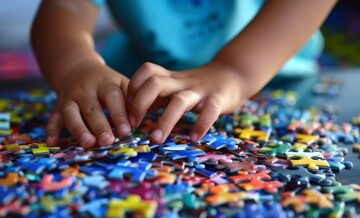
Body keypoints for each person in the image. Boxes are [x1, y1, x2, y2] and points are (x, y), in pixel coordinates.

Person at [31, 0, 337, 148]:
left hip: (279, 75)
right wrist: (76, 65)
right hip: (135, 89)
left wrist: (235, 71)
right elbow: (65, 8)